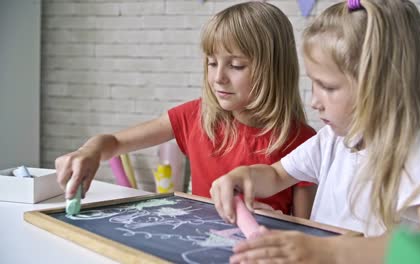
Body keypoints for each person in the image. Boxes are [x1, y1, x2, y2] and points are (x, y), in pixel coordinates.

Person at [210, 0, 420, 262]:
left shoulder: (417, 146)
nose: (314, 101)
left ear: (381, 87)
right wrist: (244, 176)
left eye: (328, 87)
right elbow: (276, 175)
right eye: (313, 84)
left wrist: (330, 251)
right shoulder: (334, 138)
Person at [55, 2, 317, 218]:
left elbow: (305, 232)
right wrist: (89, 151)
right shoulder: (194, 116)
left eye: (236, 65)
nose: (218, 78)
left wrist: (276, 220)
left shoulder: (303, 142)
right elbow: (112, 143)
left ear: (274, 70)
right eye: (212, 63)